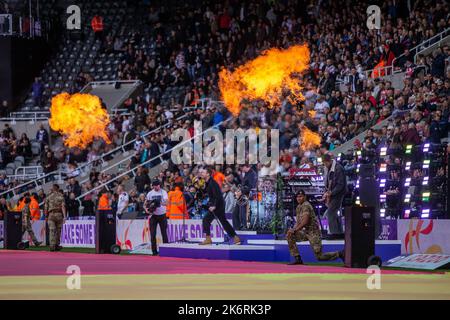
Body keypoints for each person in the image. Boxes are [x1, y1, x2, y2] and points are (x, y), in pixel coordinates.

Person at [287, 190, 344, 265]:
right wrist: (293, 230)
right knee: (290, 235)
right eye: (297, 197)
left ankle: (339, 254)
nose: (299, 198)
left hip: (314, 233)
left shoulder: (306, 205)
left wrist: (295, 229)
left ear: (305, 197)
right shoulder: (298, 207)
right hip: (305, 232)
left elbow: (305, 221)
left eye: (300, 196)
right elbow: (298, 222)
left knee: (320, 257)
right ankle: (298, 258)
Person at [199, 167, 241, 245]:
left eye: (203, 172)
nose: (201, 174)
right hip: (218, 204)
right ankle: (235, 238)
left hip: (218, 205)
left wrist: (214, 205)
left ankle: (208, 239)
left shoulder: (212, 183)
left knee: (206, 220)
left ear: (208, 174)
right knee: (223, 222)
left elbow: (217, 195)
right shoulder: (208, 182)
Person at [321, 153, 347, 239]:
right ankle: (339, 233)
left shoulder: (339, 169)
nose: (324, 165)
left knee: (331, 212)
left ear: (329, 161)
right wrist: (326, 193)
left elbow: (341, 185)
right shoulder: (327, 168)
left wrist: (330, 193)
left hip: (339, 193)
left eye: (325, 163)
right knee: (334, 213)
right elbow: (327, 183)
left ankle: (334, 233)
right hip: (332, 193)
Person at [144, 179, 169, 255]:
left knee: (164, 233)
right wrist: (146, 209)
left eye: (157, 185)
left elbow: (167, 203)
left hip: (162, 215)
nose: (156, 187)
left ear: (159, 185)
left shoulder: (163, 192)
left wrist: (159, 202)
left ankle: (166, 250)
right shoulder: (150, 193)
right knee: (153, 234)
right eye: (154, 185)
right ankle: (154, 251)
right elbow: (145, 204)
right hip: (153, 215)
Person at [44, 184, 66, 251]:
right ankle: (56, 245)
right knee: (58, 231)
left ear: (53, 189)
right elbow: (63, 207)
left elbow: (46, 207)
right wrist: (64, 216)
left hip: (51, 214)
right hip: (59, 214)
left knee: (52, 230)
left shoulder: (48, 196)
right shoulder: (61, 195)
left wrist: (46, 216)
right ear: (58, 189)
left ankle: (52, 246)